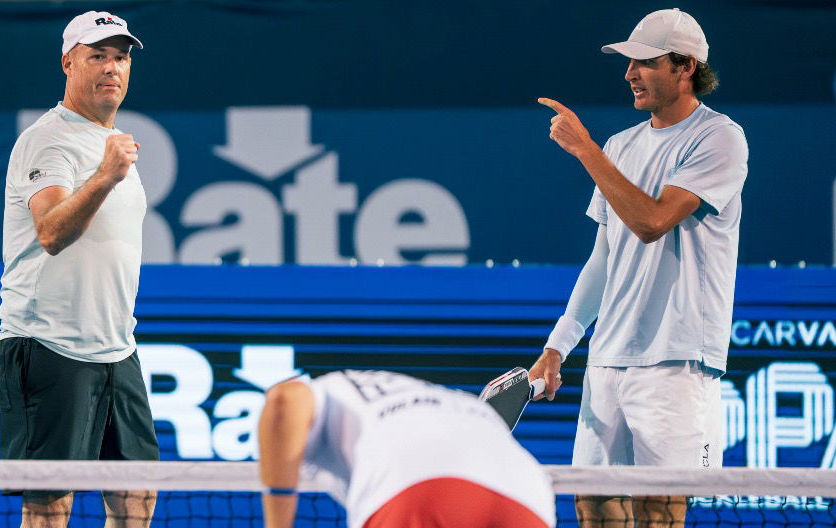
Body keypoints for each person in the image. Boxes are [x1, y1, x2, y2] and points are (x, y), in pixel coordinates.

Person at [530, 8, 748, 527]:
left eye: (645, 61)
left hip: (677, 359)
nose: (629, 73)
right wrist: (558, 346)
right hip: (608, 358)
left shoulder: (719, 138)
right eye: (629, 62)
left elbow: (652, 222)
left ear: (685, 66)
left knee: (659, 512)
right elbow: (605, 258)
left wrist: (583, 149)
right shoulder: (620, 146)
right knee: (595, 504)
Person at [0, 10, 157, 528]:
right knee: (50, 507)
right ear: (68, 62)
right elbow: (52, 232)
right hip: (47, 345)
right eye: (98, 56)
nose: (113, 67)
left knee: (138, 501)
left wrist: (111, 170)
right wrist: (106, 176)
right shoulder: (47, 140)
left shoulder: (113, 145)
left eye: (121, 57)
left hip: (117, 349)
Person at [258, 370, 555, 528]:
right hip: (529, 494)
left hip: (418, 487)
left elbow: (284, 401)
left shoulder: (333, 388)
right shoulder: (446, 400)